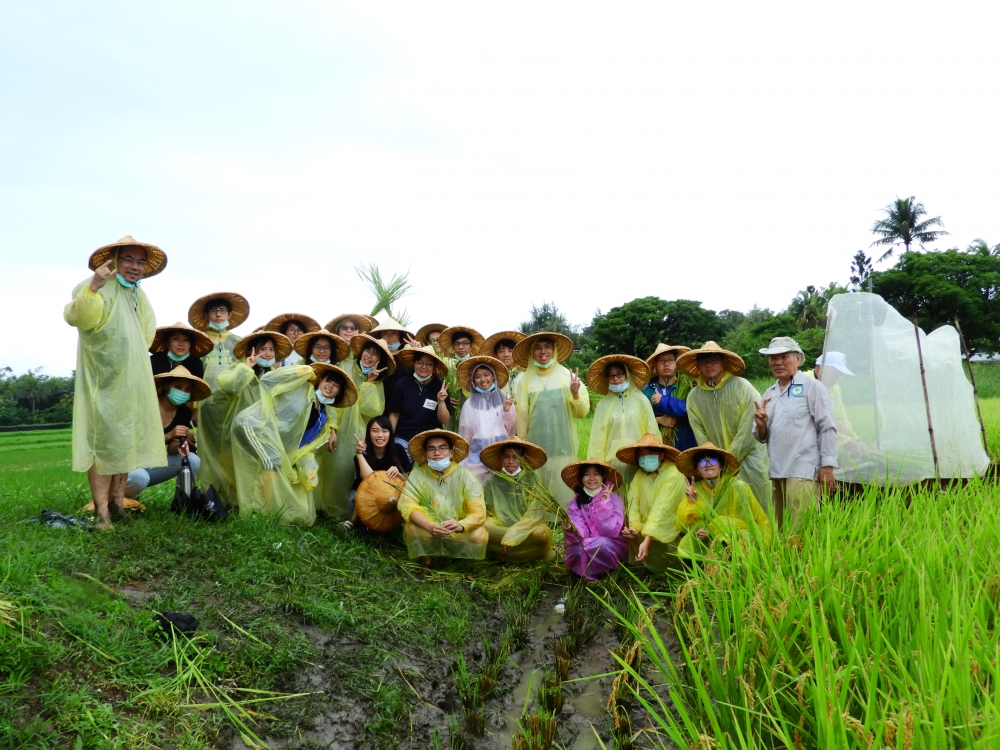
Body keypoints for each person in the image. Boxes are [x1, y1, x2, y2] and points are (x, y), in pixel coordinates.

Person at [64, 236, 168, 528]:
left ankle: (118, 501)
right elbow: (79, 318)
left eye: (140, 261)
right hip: (104, 378)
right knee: (104, 441)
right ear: (115, 260)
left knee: (125, 438)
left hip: (132, 376)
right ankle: (101, 512)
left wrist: (129, 353)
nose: (135, 267)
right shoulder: (94, 286)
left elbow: (145, 334)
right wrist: (94, 286)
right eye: (128, 259)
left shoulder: (138, 294)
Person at [232, 363, 356, 526]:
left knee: (276, 467)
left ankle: (264, 510)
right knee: (273, 462)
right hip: (253, 427)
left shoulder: (322, 416)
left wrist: (309, 467)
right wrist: (297, 372)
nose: (330, 386)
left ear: (339, 392)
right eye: (328, 381)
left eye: (336, 385)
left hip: (272, 440)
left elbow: (303, 446)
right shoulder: (301, 389)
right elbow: (268, 381)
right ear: (320, 381)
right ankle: (259, 511)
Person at [196, 330, 292, 507]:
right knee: (235, 468)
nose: (268, 353)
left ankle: (261, 504)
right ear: (252, 350)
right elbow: (230, 387)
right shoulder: (238, 367)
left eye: (272, 349)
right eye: (263, 349)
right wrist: (247, 367)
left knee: (265, 464)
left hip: (260, 430)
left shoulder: (271, 375)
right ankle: (238, 503)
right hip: (235, 429)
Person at [753, 337, 838, 529]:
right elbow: (761, 437)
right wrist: (761, 424)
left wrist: (828, 466)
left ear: (798, 359)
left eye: (784, 356)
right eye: (773, 358)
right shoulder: (769, 393)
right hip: (777, 471)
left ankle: (806, 560)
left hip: (803, 470)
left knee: (801, 531)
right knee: (780, 528)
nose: (778, 362)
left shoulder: (812, 387)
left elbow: (827, 427)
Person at [677, 342, 770, 510]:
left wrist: (730, 459)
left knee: (756, 503)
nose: (709, 365)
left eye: (714, 360)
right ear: (697, 365)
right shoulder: (694, 396)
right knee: (725, 508)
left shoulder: (742, 386)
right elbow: (700, 434)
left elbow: (748, 428)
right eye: (704, 361)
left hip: (749, 458)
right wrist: (717, 461)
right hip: (716, 463)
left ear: (723, 362)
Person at [312, 333, 393, 521]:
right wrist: (332, 428)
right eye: (368, 351)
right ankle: (319, 505)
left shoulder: (378, 381)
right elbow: (332, 400)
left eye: (375, 354)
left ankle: (339, 510)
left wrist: (370, 383)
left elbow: (372, 410)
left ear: (380, 360)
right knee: (326, 463)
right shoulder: (345, 367)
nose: (369, 356)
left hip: (358, 431)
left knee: (346, 468)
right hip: (334, 426)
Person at [512, 332, 590, 509]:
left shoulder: (567, 377)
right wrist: (523, 446)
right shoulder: (522, 381)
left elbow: (582, 412)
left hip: (563, 443)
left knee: (563, 486)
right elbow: (522, 417)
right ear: (531, 353)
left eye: (547, 346)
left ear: (554, 350)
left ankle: (564, 522)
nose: (543, 351)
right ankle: (539, 523)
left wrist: (575, 393)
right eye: (538, 348)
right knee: (537, 486)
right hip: (536, 445)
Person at [398, 430, 488, 565]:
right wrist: (429, 526)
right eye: (431, 449)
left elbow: (479, 512)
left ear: (451, 452)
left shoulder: (465, 476)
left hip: (456, 528)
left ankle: (460, 560)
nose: (437, 453)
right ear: (425, 453)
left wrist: (461, 525)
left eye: (442, 448)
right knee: (410, 528)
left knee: (480, 534)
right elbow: (408, 505)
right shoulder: (418, 474)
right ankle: (426, 558)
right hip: (428, 528)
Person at [673, 442, 771, 559]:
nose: (708, 465)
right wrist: (693, 502)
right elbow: (683, 526)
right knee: (687, 543)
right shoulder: (695, 490)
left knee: (726, 538)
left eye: (713, 460)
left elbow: (744, 521)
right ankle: (701, 573)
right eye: (703, 462)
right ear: (697, 470)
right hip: (708, 539)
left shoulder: (737, 486)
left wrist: (713, 529)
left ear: (721, 466)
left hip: (738, 537)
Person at [125, 365, 210, 498]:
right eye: (178, 386)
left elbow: (171, 449)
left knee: (192, 459)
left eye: (187, 389)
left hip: (151, 464)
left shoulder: (183, 413)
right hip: (129, 463)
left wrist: (181, 445)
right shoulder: (146, 407)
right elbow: (136, 444)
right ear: (166, 387)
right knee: (138, 478)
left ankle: (182, 500)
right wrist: (169, 435)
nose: (182, 392)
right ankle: (126, 500)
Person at [616, 433, 687, 573]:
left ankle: (669, 569)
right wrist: (634, 527)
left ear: (661, 455)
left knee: (664, 543)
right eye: (641, 455)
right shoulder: (640, 474)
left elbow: (662, 509)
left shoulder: (673, 474)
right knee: (626, 528)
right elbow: (633, 503)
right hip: (646, 528)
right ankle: (643, 565)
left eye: (649, 454)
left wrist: (647, 538)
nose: (644, 458)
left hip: (668, 529)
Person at [478, 437, 554, 563]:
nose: (510, 461)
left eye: (515, 457)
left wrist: (517, 532)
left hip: (527, 528)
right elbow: (487, 510)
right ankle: (507, 552)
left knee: (540, 534)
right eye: (506, 457)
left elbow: (535, 513)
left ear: (523, 459)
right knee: (484, 528)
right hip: (501, 526)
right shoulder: (492, 481)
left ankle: (531, 553)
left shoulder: (533, 479)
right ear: (501, 458)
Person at [585, 354, 659, 482]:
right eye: (611, 376)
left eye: (619, 374)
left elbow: (651, 428)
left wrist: (655, 456)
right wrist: (596, 464)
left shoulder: (641, 400)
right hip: (613, 461)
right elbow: (598, 437)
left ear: (627, 375)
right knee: (615, 497)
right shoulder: (603, 405)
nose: (616, 379)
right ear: (607, 378)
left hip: (638, 459)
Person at [561, 461, 629, 580]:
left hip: (612, 544)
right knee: (575, 551)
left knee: (601, 545)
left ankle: (607, 571)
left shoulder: (614, 498)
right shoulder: (575, 503)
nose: (591, 478)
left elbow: (611, 532)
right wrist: (571, 530)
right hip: (586, 543)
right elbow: (581, 533)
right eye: (587, 474)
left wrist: (604, 504)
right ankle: (589, 572)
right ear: (581, 478)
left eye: (596, 474)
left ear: (603, 477)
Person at [388, 346, 454, 461]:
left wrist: (441, 401)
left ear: (434, 367)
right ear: (413, 363)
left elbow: (444, 420)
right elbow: (394, 414)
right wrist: (389, 439)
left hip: (430, 440)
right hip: (404, 437)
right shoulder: (402, 384)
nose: (424, 367)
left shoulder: (440, 386)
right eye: (420, 362)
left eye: (429, 364)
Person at [456, 356, 516, 483]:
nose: (483, 380)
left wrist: (506, 411)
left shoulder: (505, 398)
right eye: (477, 377)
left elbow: (511, 429)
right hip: (477, 453)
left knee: (503, 487)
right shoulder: (469, 404)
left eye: (486, 375)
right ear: (473, 381)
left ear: (493, 376)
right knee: (477, 487)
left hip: (501, 450)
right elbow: (465, 436)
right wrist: (464, 459)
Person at [808, 352, 866, 458]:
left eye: (840, 374)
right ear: (820, 369)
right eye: (835, 373)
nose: (837, 378)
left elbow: (840, 420)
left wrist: (856, 439)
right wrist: (847, 442)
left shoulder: (834, 388)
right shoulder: (803, 384)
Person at [188, 291, 250, 390]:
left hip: (230, 394)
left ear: (229, 314)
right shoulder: (199, 340)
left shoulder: (238, 341)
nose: (218, 314)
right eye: (212, 310)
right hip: (203, 392)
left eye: (222, 310)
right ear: (206, 315)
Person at [642, 344, 696, 450]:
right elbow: (638, 418)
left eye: (670, 360)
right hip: (655, 447)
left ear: (677, 362)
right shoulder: (646, 390)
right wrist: (658, 420)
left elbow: (692, 410)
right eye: (661, 360)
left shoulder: (688, 386)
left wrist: (663, 401)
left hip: (685, 443)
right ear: (656, 365)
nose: (666, 364)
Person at [438, 326, 485, 430]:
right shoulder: (446, 364)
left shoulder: (477, 365)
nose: (460, 347)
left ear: (471, 345)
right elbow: (438, 386)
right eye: (457, 343)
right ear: (453, 345)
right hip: (450, 412)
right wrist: (446, 399)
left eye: (465, 343)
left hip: (473, 411)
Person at [370, 316, 418, 415]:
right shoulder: (375, 357)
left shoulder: (407, 357)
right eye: (385, 333)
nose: (389, 337)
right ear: (380, 336)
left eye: (393, 333)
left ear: (400, 335)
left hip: (404, 407)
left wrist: (418, 353)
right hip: (378, 407)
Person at [481, 331, 527, 397]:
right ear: (495, 355)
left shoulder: (523, 375)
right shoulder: (490, 377)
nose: (506, 355)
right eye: (501, 351)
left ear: (516, 353)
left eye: (510, 351)